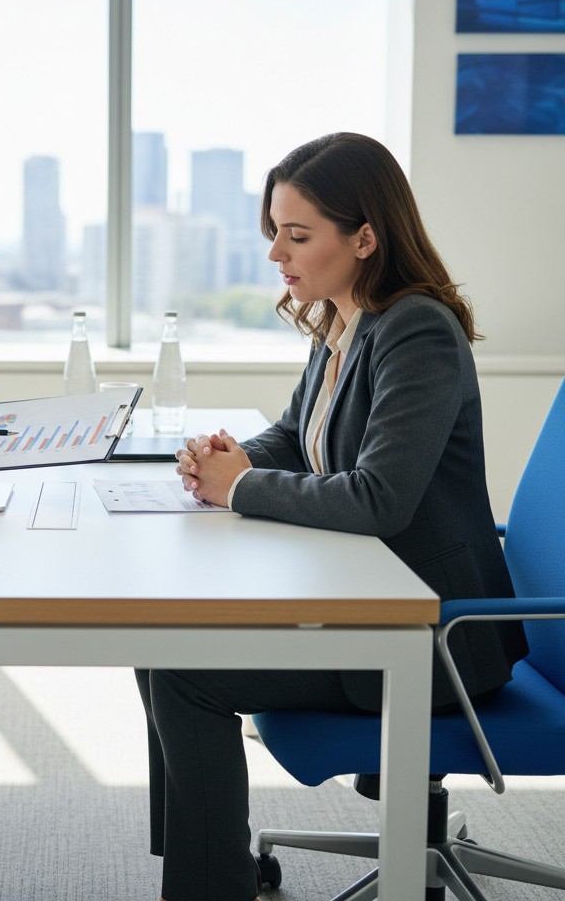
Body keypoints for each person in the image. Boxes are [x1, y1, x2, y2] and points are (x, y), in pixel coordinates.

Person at [136, 132, 529, 901]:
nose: (277, 253)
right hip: (369, 599)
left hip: (434, 635)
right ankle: (208, 855)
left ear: (365, 237)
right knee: (156, 638)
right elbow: (297, 436)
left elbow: (378, 497)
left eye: (298, 234)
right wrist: (227, 456)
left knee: (183, 670)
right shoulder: (344, 318)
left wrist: (237, 488)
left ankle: (209, 884)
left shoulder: (416, 330)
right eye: (274, 231)